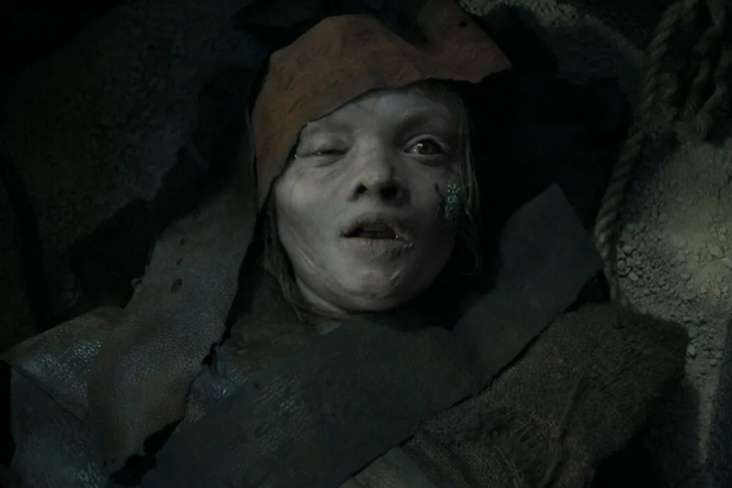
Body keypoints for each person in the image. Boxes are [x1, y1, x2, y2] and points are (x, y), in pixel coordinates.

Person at [1, 0, 687, 487]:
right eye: (327, 151)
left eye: (425, 148)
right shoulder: (80, 381)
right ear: (271, 199)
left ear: (465, 197)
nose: (378, 178)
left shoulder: (576, 376)